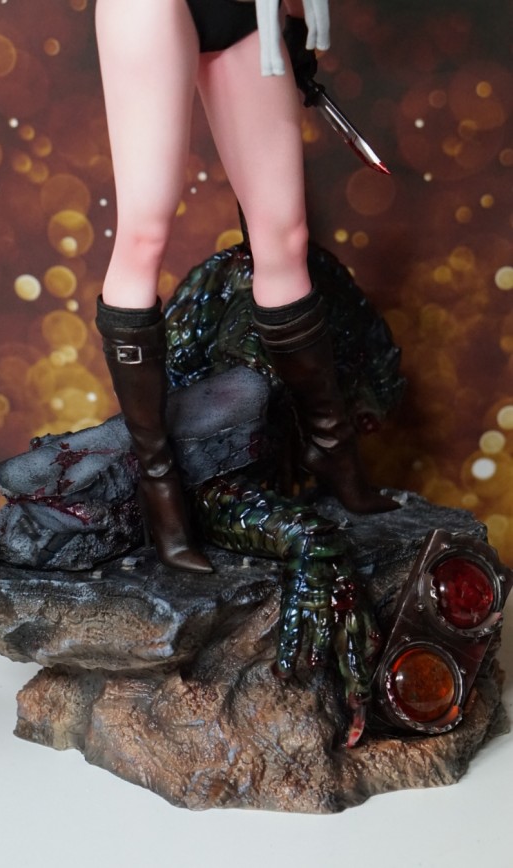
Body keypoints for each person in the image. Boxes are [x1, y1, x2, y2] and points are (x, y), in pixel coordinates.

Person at [94, 0, 397, 574]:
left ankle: (330, 448)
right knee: (144, 232)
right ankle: (159, 485)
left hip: (245, 12)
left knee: (284, 236)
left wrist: (293, 17)